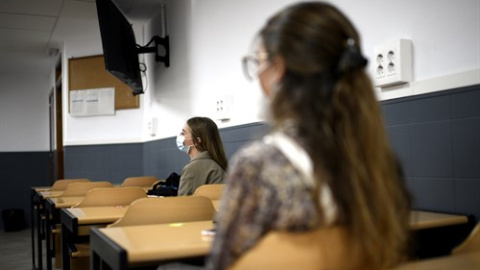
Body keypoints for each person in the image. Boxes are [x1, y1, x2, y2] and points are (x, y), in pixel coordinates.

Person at [206, 2, 411, 270]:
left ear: (277, 69)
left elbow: (222, 264)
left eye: (259, 62)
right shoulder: (378, 162)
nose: (257, 74)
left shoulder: (259, 166)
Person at [176, 117, 228, 196]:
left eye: (183, 133)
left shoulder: (192, 168)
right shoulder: (218, 164)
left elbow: (183, 204)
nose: (180, 136)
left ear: (197, 141)